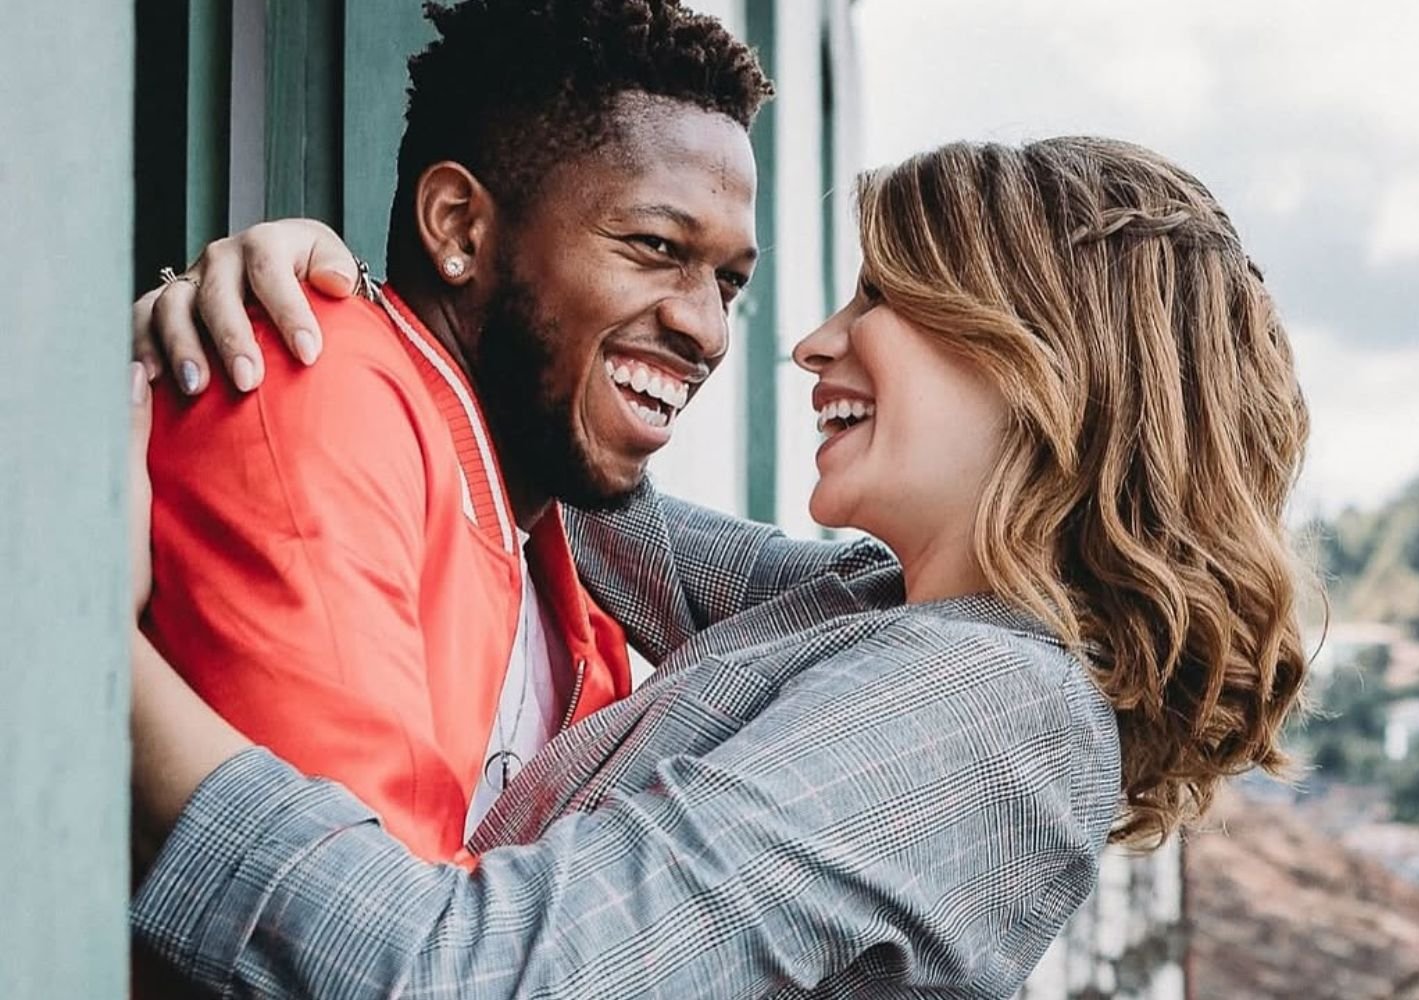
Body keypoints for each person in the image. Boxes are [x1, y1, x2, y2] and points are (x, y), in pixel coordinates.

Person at [127, 135, 1311, 998]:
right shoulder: (873, 608)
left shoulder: (995, 708)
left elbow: (474, 979)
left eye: (885, 297)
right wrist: (346, 299)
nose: (812, 343)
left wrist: (85, 649)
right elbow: (567, 469)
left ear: (1041, 364)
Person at [134, 0, 771, 867]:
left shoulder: (568, 583)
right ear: (458, 227)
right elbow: (355, 936)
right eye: (656, 245)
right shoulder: (313, 389)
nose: (708, 330)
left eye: (729, 284)